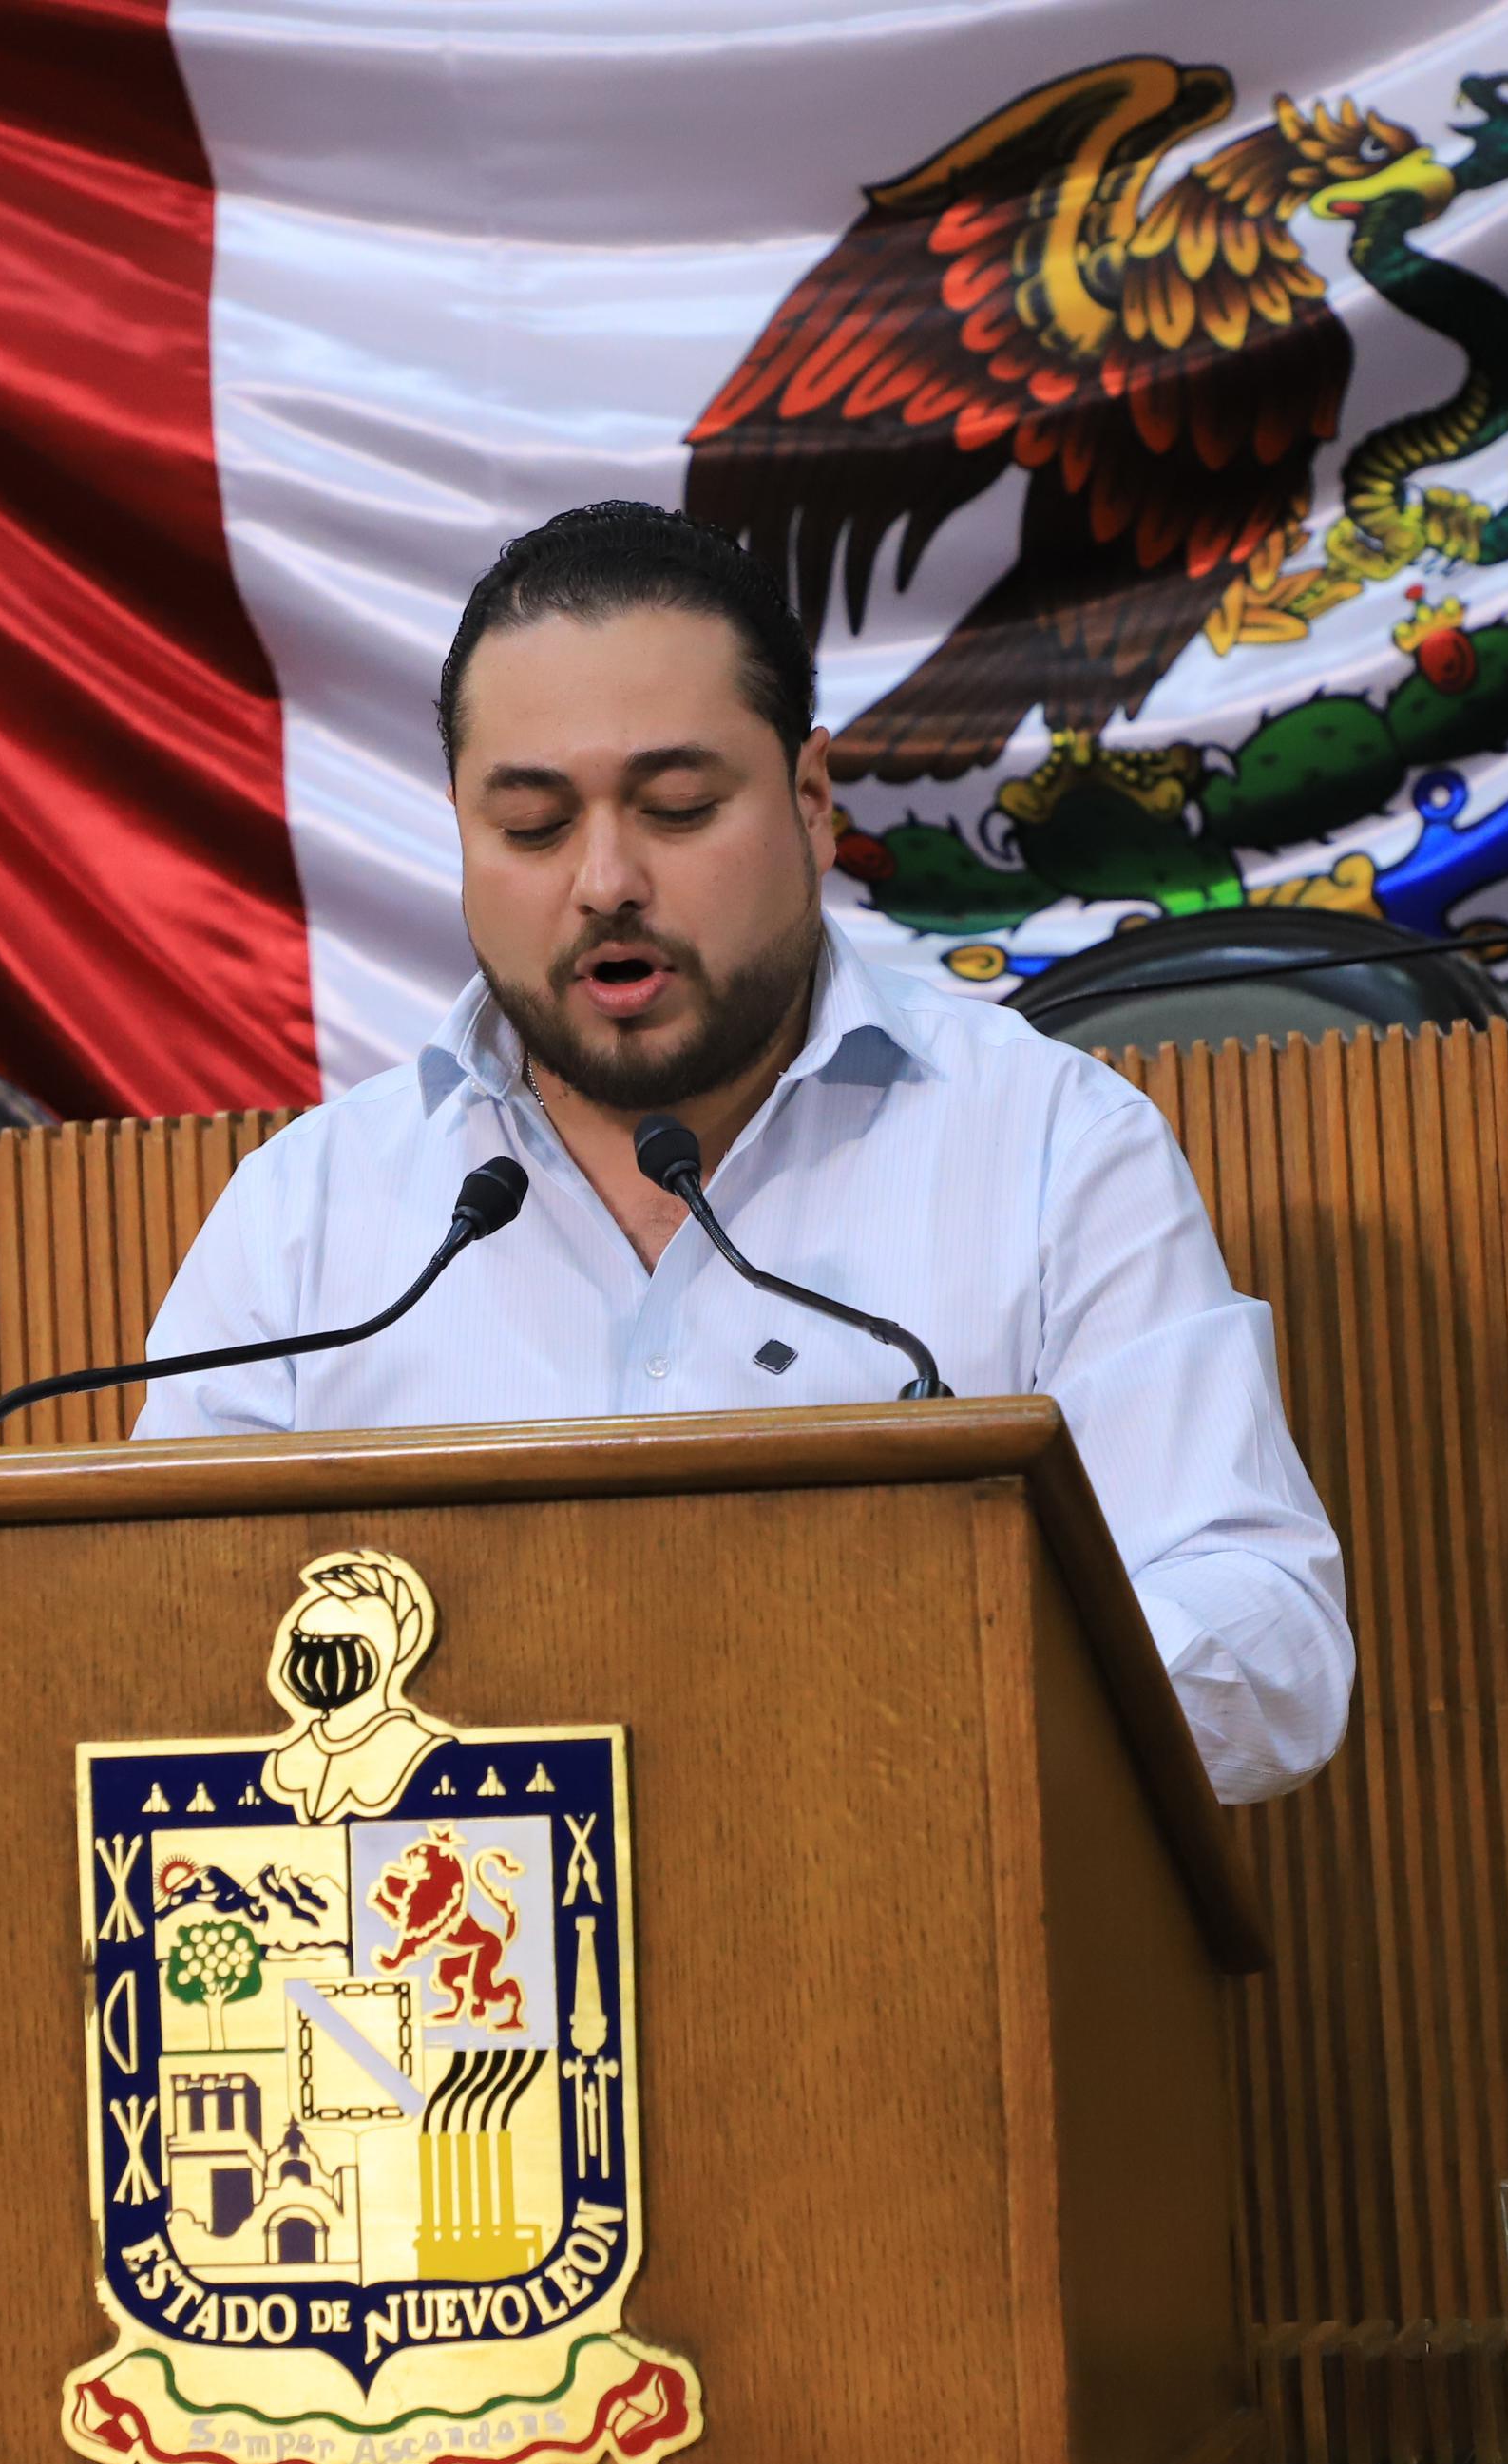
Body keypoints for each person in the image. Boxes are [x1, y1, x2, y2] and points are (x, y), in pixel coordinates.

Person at [133, 503, 1352, 1802]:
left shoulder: (1051, 1147)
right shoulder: (312, 1216)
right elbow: (150, 1648)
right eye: (534, 827)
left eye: (676, 807)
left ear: (811, 802)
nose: (605, 879)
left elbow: (1267, 1640)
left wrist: (890, 1703)